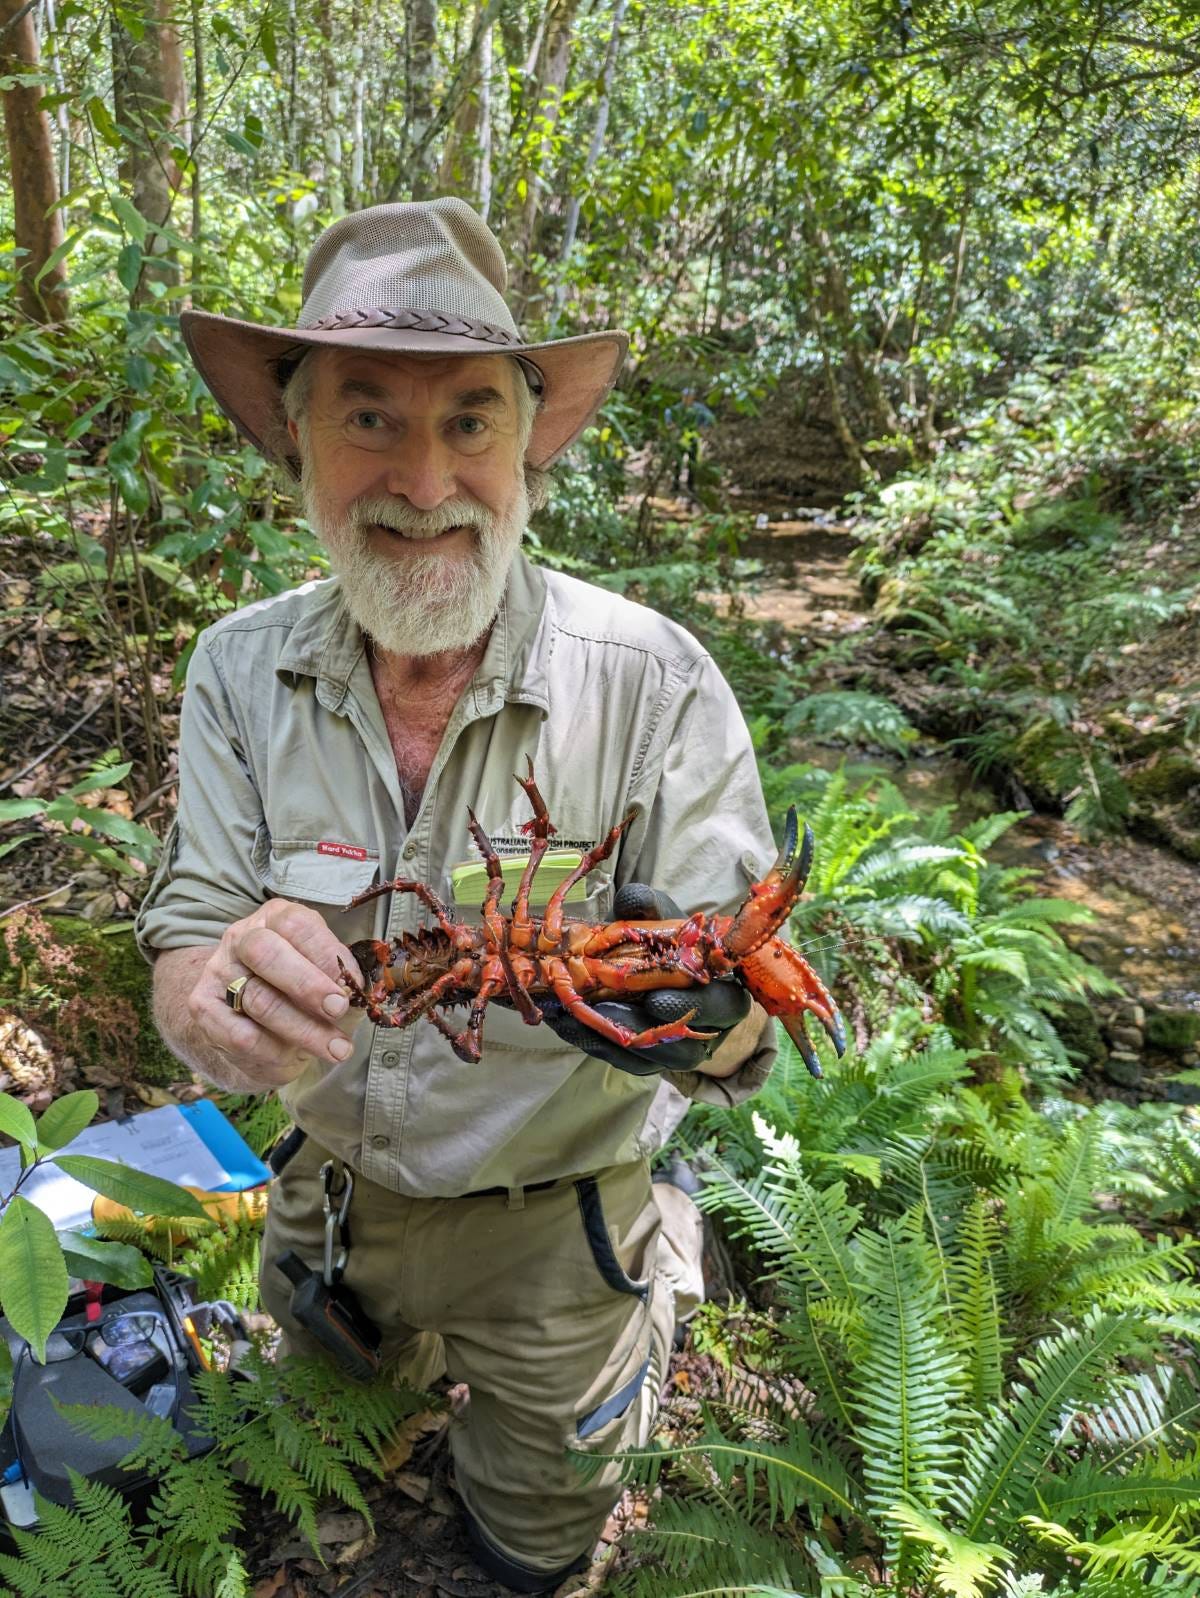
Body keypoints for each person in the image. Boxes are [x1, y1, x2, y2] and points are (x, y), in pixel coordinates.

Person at [136, 198, 778, 1593]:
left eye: (470, 421)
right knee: (303, 1485)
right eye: (368, 418)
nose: (424, 480)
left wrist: (706, 1016)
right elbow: (189, 943)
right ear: (292, 443)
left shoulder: (656, 682)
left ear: (529, 449)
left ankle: (654, 1275)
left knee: (528, 1549)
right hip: (328, 1207)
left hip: (558, 1223)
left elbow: (745, 1025)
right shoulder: (237, 674)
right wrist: (215, 997)